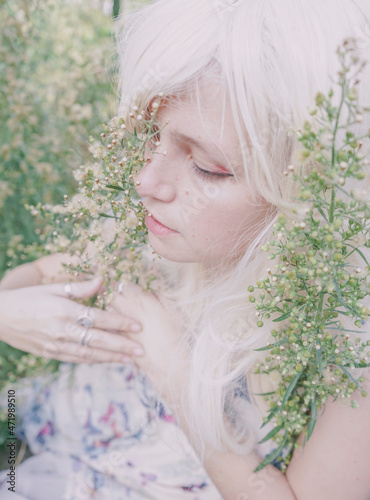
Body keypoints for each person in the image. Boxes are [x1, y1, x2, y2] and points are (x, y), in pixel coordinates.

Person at [0, 0, 370, 498]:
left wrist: (171, 369)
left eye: (208, 168)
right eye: (152, 137)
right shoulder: (155, 239)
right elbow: (34, 279)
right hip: (21, 434)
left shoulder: (346, 348)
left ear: (307, 191)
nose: (145, 180)